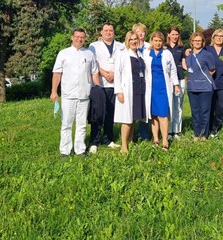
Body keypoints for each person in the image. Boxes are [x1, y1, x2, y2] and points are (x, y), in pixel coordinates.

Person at [51, 28, 101, 156]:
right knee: (66, 123)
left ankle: (80, 149)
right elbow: (57, 73)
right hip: (68, 95)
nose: (79, 39)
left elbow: (94, 72)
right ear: (72, 37)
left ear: (85, 39)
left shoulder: (89, 54)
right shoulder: (63, 53)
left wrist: (97, 88)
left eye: (82, 37)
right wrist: (54, 91)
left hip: (84, 95)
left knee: (81, 124)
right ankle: (65, 151)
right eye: (77, 36)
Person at [114, 31, 152, 153]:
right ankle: (124, 146)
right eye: (131, 39)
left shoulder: (140, 54)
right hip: (127, 90)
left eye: (135, 39)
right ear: (127, 41)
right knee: (126, 119)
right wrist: (119, 91)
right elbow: (117, 74)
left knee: (134, 117)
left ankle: (130, 141)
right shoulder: (122, 55)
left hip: (139, 90)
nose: (134, 41)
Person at [88, 23, 124, 153]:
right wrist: (103, 73)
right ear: (101, 33)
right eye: (106, 30)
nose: (109, 33)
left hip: (115, 84)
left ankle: (109, 139)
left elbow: (123, 62)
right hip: (100, 84)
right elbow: (93, 63)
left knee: (110, 113)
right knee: (97, 114)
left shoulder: (121, 46)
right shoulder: (93, 46)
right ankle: (94, 141)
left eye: (111, 30)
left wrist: (114, 73)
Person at [149, 31, 180, 151]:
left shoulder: (167, 53)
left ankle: (165, 140)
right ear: (152, 41)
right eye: (155, 40)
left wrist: (176, 84)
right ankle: (156, 139)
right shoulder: (147, 53)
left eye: (160, 41)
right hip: (151, 88)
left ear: (163, 42)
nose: (157, 43)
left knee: (163, 115)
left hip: (163, 87)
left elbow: (173, 70)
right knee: (153, 116)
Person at [184, 31, 216, 140]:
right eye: (195, 40)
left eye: (199, 40)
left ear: (203, 42)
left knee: (204, 112)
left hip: (205, 88)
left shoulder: (207, 55)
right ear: (191, 42)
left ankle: (204, 134)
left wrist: (202, 78)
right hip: (192, 87)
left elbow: (212, 70)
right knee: (195, 112)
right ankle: (197, 134)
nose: (197, 42)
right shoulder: (188, 55)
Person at [206, 29, 223, 137]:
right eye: (217, 36)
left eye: (221, 36)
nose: (219, 38)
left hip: (222, 83)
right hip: (209, 83)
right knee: (210, 106)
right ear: (213, 38)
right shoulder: (208, 49)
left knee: (220, 107)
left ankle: (216, 128)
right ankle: (208, 129)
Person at [132, 23, 152, 141]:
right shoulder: (129, 46)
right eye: (138, 31)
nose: (140, 34)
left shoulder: (149, 47)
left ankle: (144, 135)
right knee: (133, 108)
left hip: (147, 81)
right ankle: (132, 134)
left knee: (145, 108)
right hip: (134, 82)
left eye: (142, 32)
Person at [166, 26, 185, 140]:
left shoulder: (182, 48)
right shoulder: (164, 47)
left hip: (180, 79)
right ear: (168, 35)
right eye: (172, 34)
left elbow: (184, 63)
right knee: (169, 105)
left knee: (178, 106)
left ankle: (176, 131)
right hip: (167, 80)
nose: (175, 36)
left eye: (176, 34)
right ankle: (168, 131)